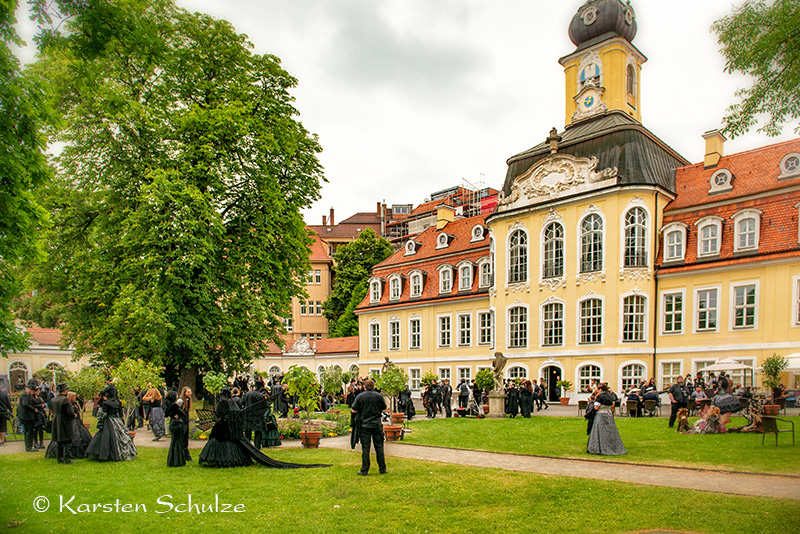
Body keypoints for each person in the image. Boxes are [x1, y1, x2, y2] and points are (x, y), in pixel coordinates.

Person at [199, 388, 325, 469]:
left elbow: (229, 410)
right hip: (244, 422)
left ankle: (225, 458)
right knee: (254, 435)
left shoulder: (230, 400)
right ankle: (256, 447)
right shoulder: (246, 398)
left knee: (240, 437)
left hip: (226, 427)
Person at [85, 385, 137, 461]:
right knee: (115, 436)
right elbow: (119, 412)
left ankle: (105, 454)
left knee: (106, 436)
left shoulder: (107, 402)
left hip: (109, 420)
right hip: (116, 420)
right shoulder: (117, 402)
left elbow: (103, 411)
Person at [351, 379, 387, 476]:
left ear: (365, 387)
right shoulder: (378, 396)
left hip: (365, 424)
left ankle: (365, 469)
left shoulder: (360, 396)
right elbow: (384, 408)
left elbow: (353, 409)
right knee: (379, 447)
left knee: (365, 448)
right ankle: (382, 468)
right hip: (376, 424)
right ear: (374, 386)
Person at [587, 383, 626, 455]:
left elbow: (596, 407)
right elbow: (612, 405)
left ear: (600, 389)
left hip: (600, 415)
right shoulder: (610, 395)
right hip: (608, 414)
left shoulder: (600, 397)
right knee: (610, 431)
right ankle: (613, 447)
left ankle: (598, 448)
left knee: (600, 432)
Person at [49, 383, 77, 464]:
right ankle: (67, 458)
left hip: (56, 421)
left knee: (59, 441)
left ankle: (59, 458)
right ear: (65, 391)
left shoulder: (53, 400)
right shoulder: (66, 400)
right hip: (64, 421)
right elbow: (70, 412)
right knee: (67, 440)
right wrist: (73, 416)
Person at [166, 391, 190, 467]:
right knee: (178, 442)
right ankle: (177, 460)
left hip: (172, 423)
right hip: (177, 424)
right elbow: (183, 414)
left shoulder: (168, 404)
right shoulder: (174, 405)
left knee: (173, 441)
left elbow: (167, 414)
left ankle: (172, 460)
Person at [18, 379, 42, 452]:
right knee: (29, 432)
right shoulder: (25, 395)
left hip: (26, 416)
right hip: (27, 416)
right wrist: (33, 409)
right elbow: (25, 404)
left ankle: (29, 446)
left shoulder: (25, 395)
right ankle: (29, 447)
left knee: (28, 432)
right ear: (29, 390)